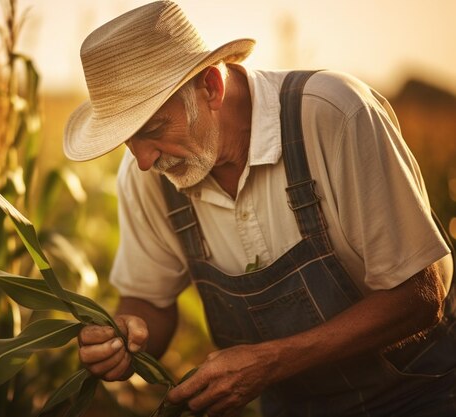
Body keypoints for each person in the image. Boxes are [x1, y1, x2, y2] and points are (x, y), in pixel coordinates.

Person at [63, 1, 456, 416]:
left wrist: (271, 362)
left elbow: (419, 295)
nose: (143, 160)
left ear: (211, 86)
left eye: (153, 129)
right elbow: (149, 301)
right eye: (128, 140)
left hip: (423, 393)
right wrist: (122, 340)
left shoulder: (333, 115)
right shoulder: (147, 173)